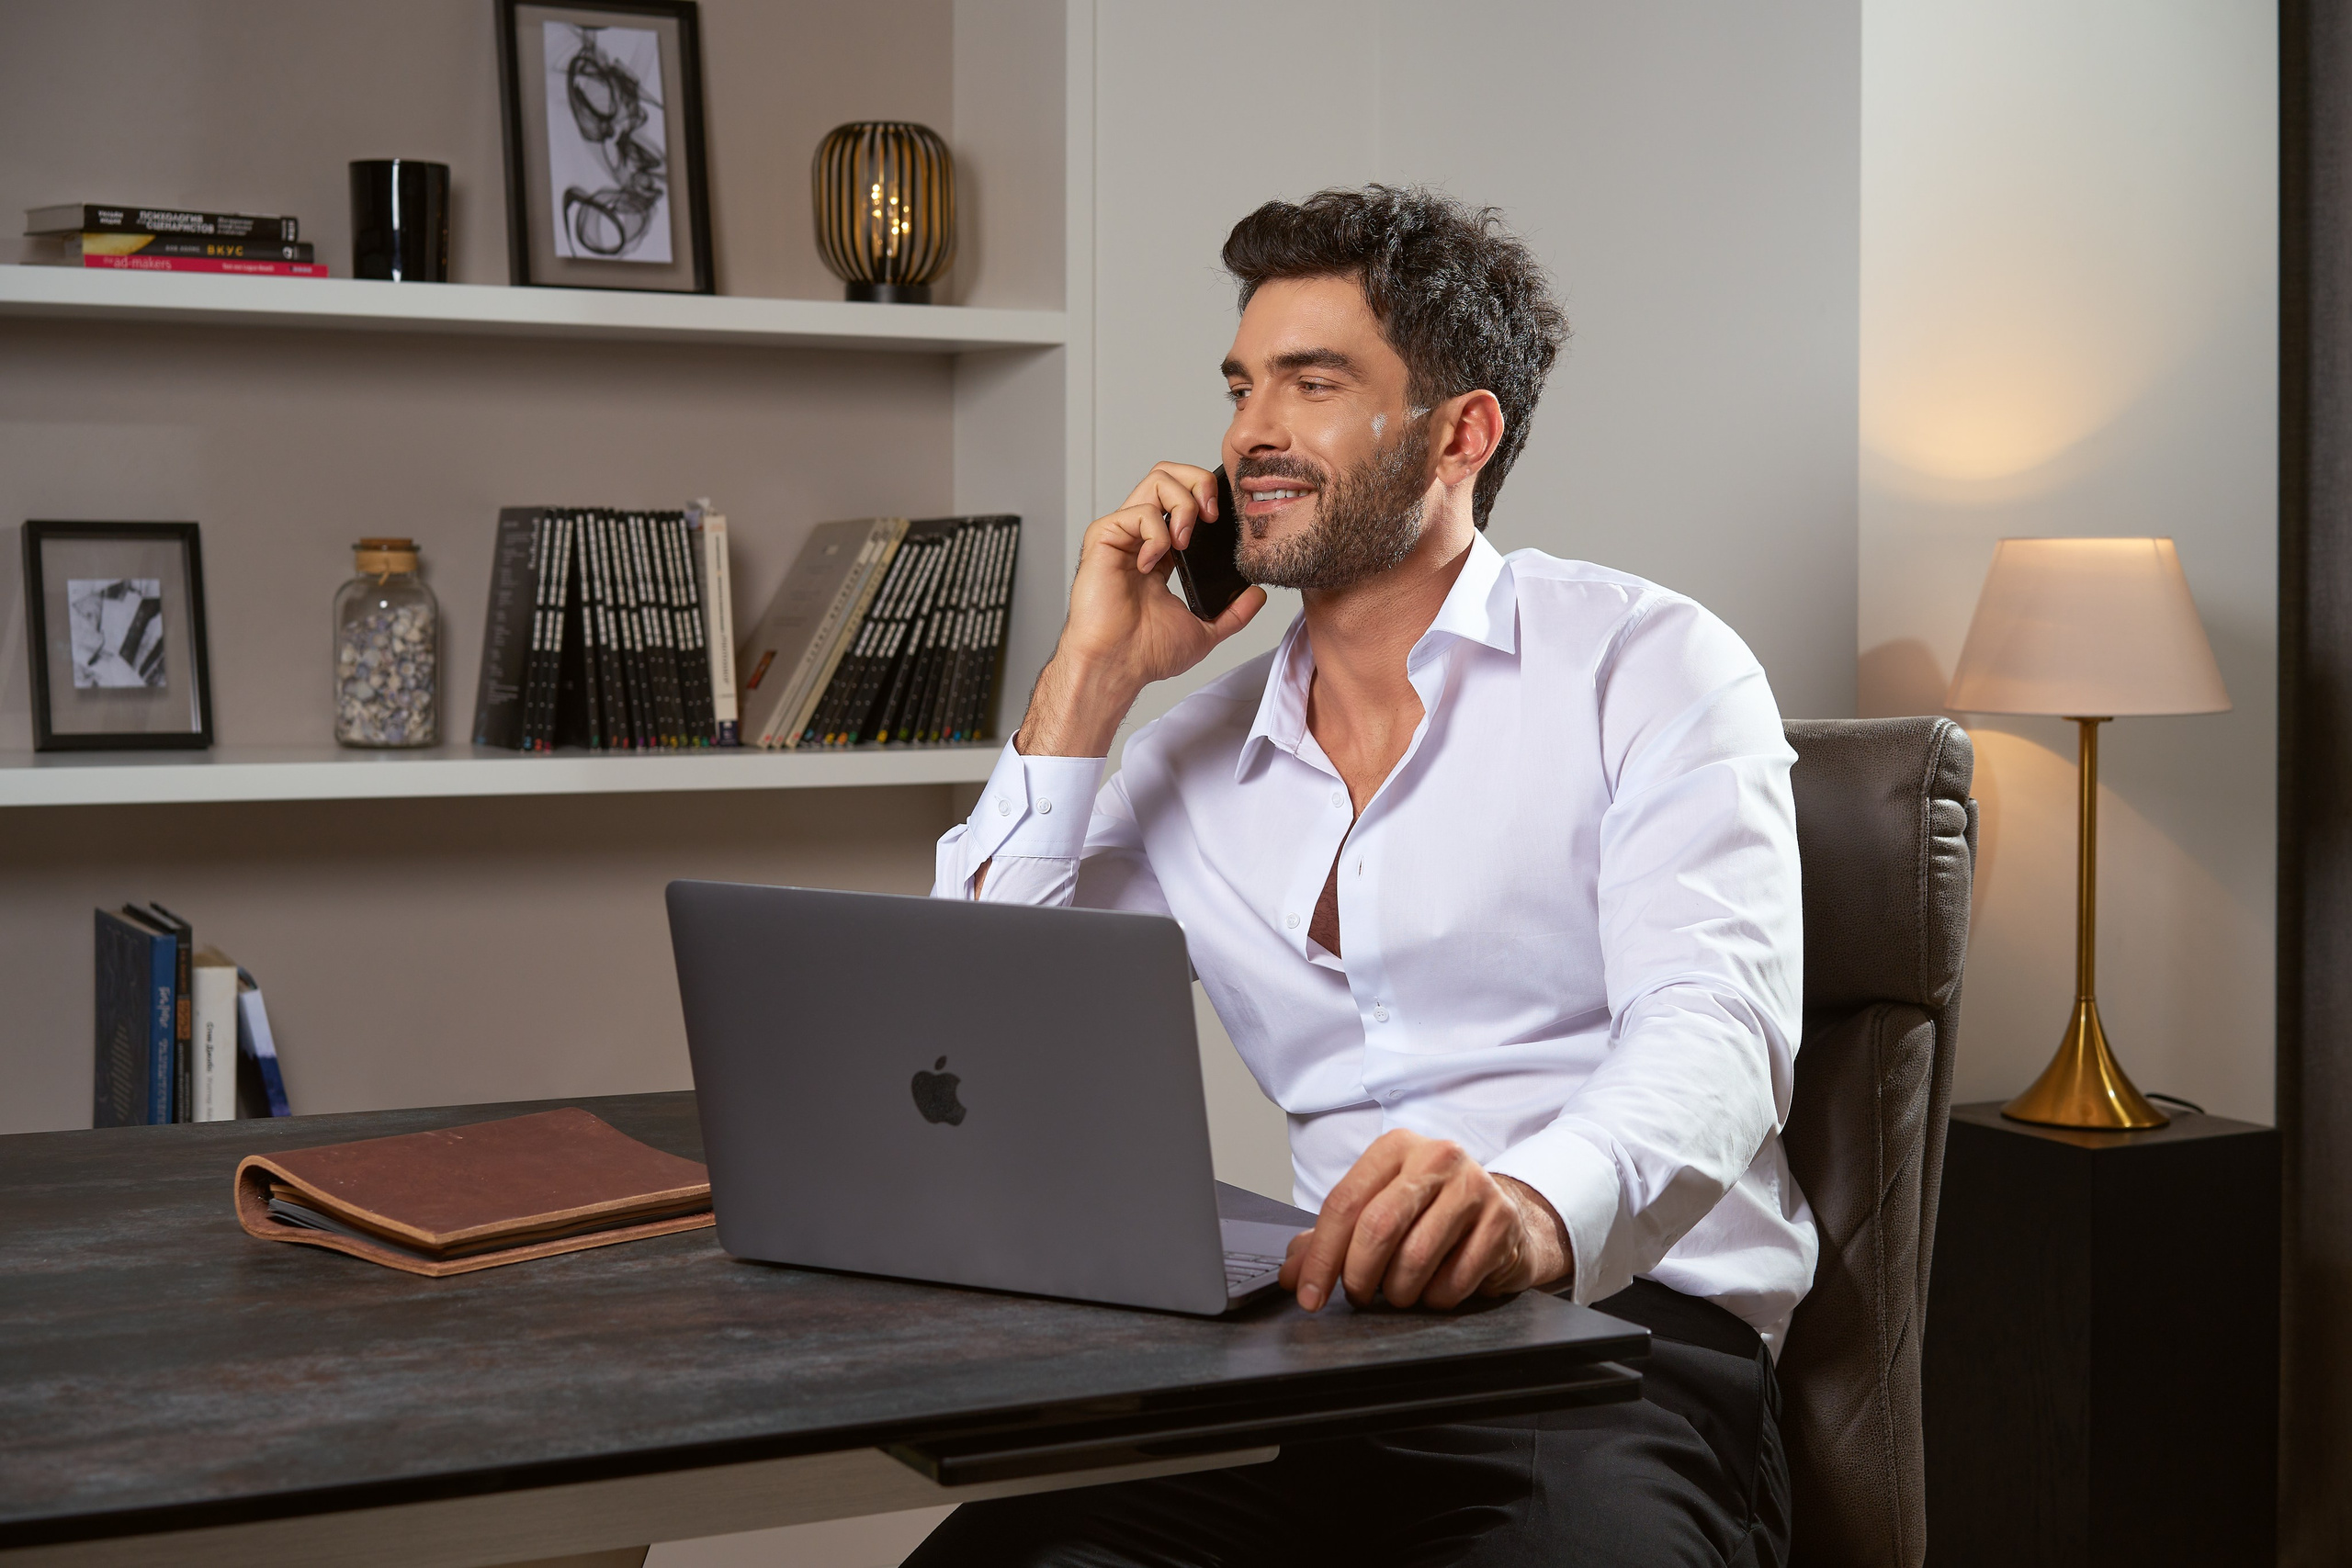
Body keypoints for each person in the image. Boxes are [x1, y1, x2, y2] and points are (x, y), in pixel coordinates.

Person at [908, 186, 1808, 1567]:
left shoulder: (1651, 666)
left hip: (1613, 1350)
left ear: (1463, 431)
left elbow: (1717, 1031)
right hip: (1316, 1354)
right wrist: (1092, 677)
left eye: (1312, 384)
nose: (1250, 433)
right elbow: (973, 1042)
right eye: (1241, 386)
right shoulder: (1188, 754)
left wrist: (1527, 1211)